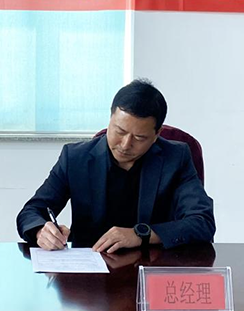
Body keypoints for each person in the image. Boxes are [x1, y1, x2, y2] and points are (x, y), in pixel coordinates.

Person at [16, 79, 215, 252]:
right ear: (110, 119)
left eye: (139, 137)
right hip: (90, 269)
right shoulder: (76, 158)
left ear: (157, 134)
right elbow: (31, 212)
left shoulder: (176, 157)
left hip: (152, 267)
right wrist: (41, 231)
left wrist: (141, 235)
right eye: (119, 131)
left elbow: (202, 222)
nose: (125, 144)